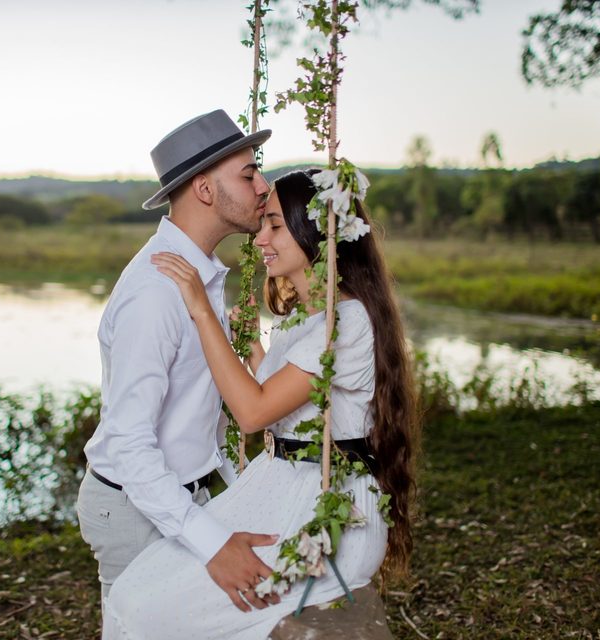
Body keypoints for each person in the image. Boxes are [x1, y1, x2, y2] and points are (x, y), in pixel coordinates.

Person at [102, 169, 420, 638]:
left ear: (316, 235)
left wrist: (201, 310)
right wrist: (251, 351)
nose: (260, 240)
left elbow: (253, 412)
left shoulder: (348, 321)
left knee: (151, 610)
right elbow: (289, 403)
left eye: (274, 225)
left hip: (327, 510)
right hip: (281, 489)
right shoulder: (303, 321)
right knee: (134, 593)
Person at [76, 109, 283, 626]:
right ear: (205, 190)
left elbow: (195, 407)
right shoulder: (156, 292)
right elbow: (129, 443)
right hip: (137, 507)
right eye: (248, 173)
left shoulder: (196, 276)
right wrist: (214, 544)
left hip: (179, 497)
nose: (263, 186)